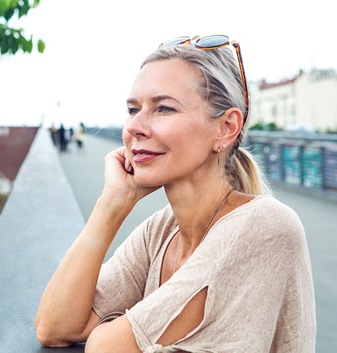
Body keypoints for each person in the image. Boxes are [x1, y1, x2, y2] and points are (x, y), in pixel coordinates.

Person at [35, 35, 316, 353]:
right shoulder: (160, 232)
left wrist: (108, 332)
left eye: (163, 108)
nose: (134, 127)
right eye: (132, 109)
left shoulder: (264, 225)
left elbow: (105, 348)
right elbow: (54, 327)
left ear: (226, 128)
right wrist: (111, 205)